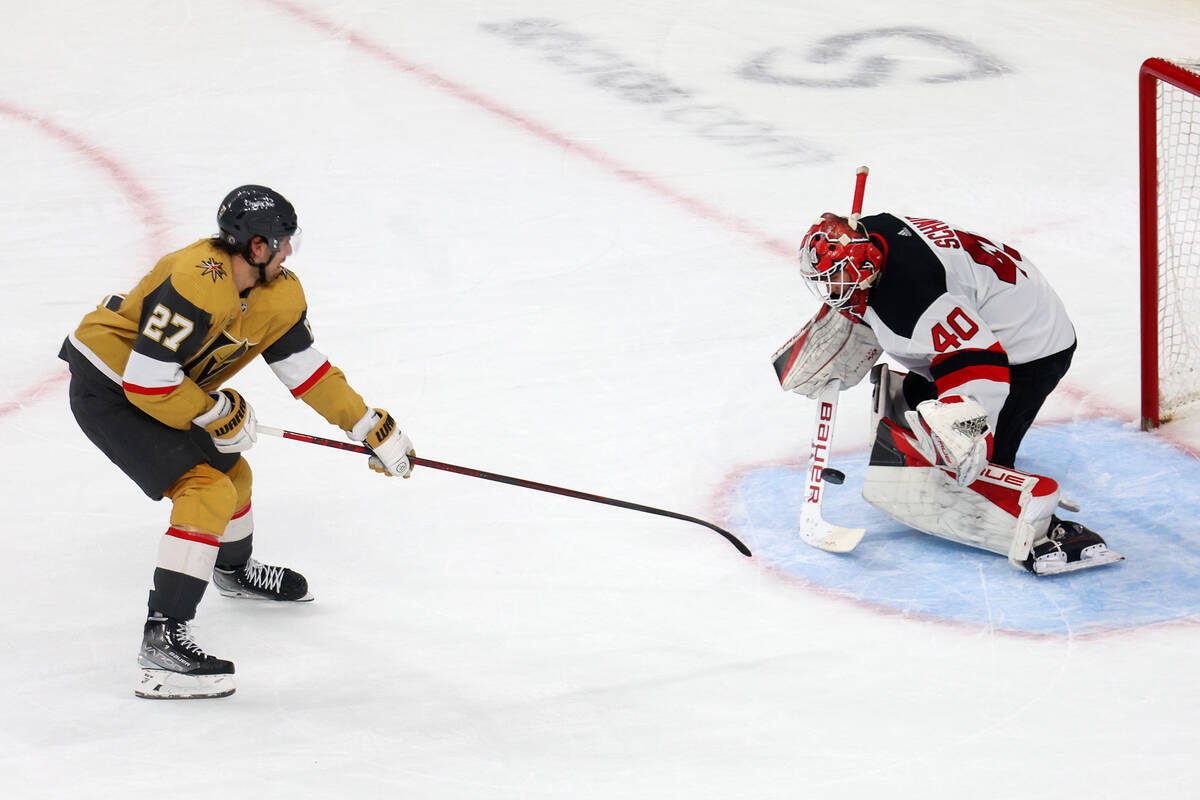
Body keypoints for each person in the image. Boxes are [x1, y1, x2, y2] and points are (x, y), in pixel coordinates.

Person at [58, 185, 416, 698]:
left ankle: (232, 571)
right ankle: (162, 645)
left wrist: (367, 426)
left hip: (165, 388)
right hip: (110, 387)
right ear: (255, 246)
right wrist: (214, 412)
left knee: (234, 474)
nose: (288, 251)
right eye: (281, 241)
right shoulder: (197, 280)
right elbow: (145, 380)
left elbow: (307, 372)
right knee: (206, 491)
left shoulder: (279, 293)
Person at [778, 210, 1122, 575]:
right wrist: (851, 322)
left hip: (1030, 352)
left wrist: (968, 431)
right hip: (997, 306)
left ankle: (1052, 535)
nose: (832, 290)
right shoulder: (870, 232)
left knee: (970, 470)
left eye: (838, 278)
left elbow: (982, 367)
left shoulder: (916, 298)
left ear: (865, 269)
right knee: (915, 419)